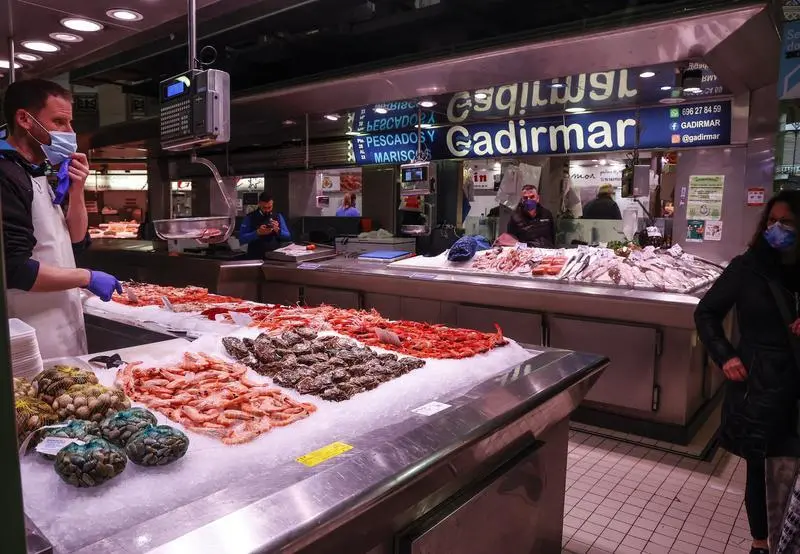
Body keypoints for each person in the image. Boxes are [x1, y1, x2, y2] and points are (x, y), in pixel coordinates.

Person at [694, 190, 800, 554]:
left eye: (787, 222)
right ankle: (761, 543)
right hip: (760, 388)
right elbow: (706, 312)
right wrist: (725, 355)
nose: (777, 228)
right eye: (772, 220)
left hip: (795, 387)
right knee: (760, 468)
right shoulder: (748, 267)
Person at [0, 79, 122, 359]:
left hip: (63, 319)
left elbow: (76, 241)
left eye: (70, 123)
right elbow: (14, 268)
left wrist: (77, 191)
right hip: (28, 328)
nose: (69, 132)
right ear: (24, 119)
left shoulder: (39, 171)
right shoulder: (6, 175)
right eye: (58, 122)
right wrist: (86, 277)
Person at [238, 192, 290, 259]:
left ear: (272, 204)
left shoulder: (278, 216)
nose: (267, 210)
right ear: (259, 204)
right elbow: (241, 239)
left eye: (269, 207)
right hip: (255, 256)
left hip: (274, 257)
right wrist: (257, 232)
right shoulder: (250, 217)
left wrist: (278, 230)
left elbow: (288, 236)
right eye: (264, 207)